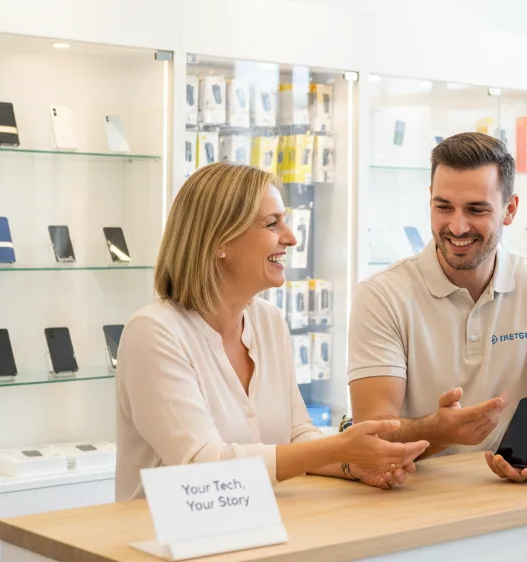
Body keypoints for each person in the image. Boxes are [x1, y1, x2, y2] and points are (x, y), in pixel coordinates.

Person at [115, 163, 428, 500]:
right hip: (160, 541)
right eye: (272, 223)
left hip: (256, 527)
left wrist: (354, 464)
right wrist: (338, 448)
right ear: (220, 238)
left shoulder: (268, 321)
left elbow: (296, 436)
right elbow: (200, 466)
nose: (291, 237)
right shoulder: (153, 333)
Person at [348, 132, 527, 482]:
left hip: (508, 492)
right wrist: (439, 431)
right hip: (411, 495)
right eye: (443, 207)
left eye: (476, 210)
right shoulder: (382, 295)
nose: (457, 227)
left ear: (510, 209)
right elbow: (372, 435)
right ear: (429, 199)